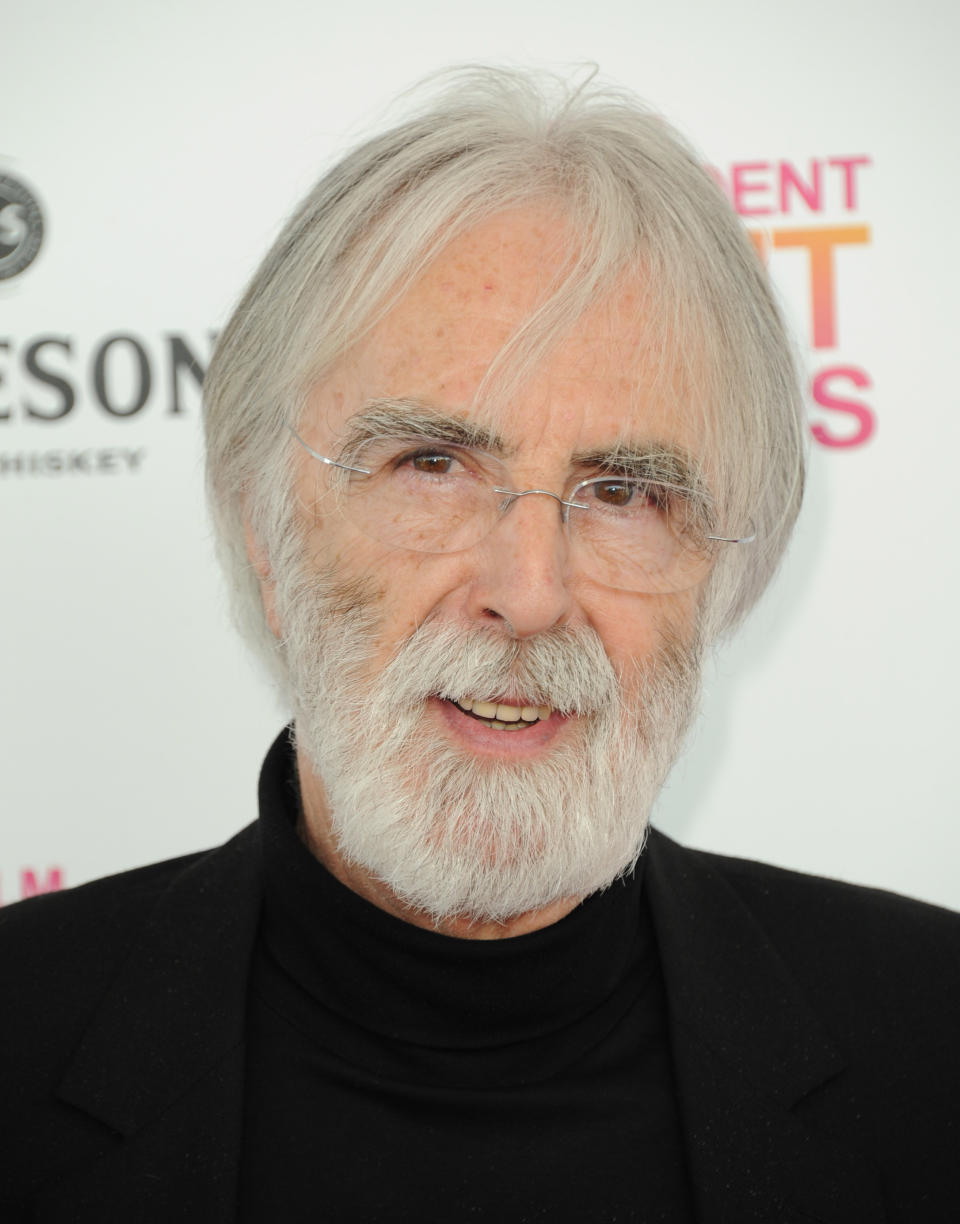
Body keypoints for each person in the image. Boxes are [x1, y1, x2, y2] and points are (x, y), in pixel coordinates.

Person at [1, 67, 957, 1223]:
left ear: (724, 569)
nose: (530, 590)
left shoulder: (931, 1033)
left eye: (625, 491)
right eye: (432, 465)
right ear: (263, 525)